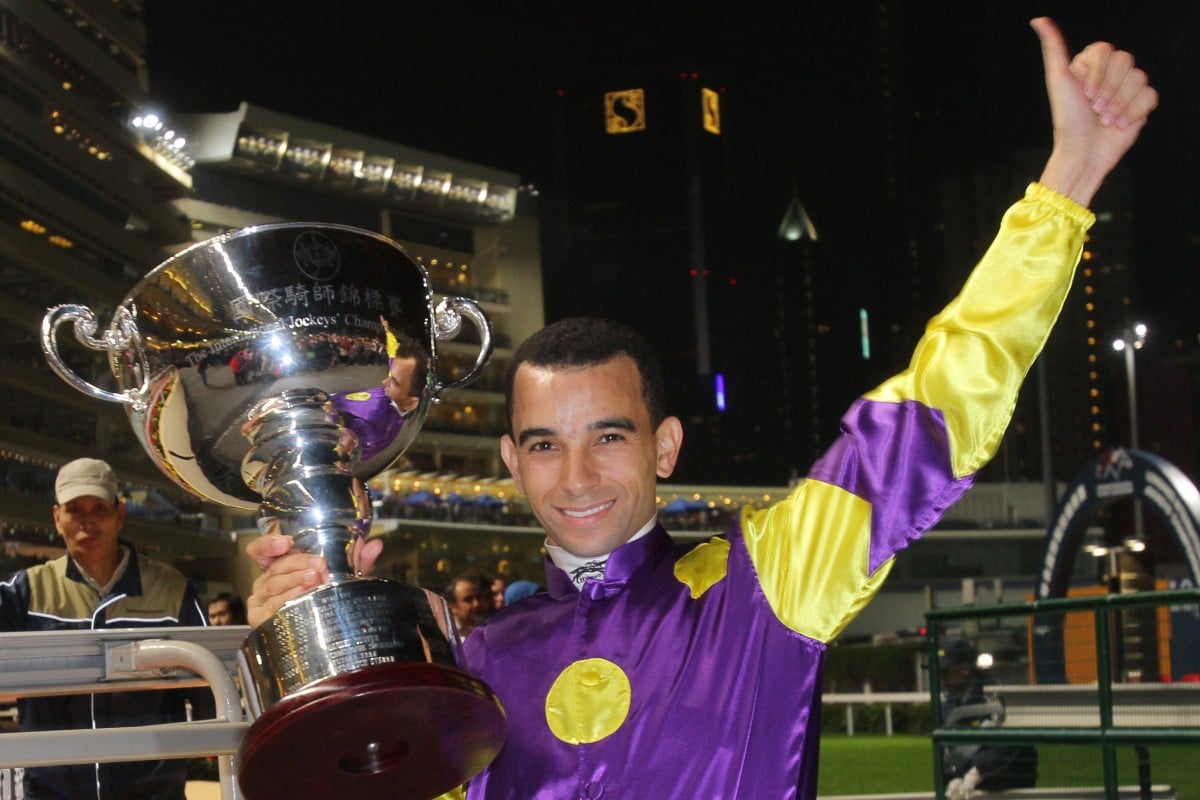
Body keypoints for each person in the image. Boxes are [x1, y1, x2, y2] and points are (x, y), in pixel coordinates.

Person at [246, 19, 1157, 799]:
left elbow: (932, 406)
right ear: (511, 463)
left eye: (609, 436)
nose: (578, 477)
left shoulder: (768, 583)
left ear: (665, 445)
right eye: (545, 445)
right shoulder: (469, 659)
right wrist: (315, 662)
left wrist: (1067, 182)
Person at [0, 458, 211, 800]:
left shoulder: (173, 589)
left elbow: (209, 685)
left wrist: (209, 738)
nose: (87, 521)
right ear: (57, 517)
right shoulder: (25, 592)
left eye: (99, 507)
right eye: (74, 509)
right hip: (53, 792)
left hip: (155, 793)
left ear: (120, 514)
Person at [939, 640, 1038, 799]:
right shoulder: (949, 704)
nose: (942, 678)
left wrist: (977, 771)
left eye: (946, 671)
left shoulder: (994, 696)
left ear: (965, 669)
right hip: (971, 790)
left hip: (1009, 787)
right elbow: (949, 750)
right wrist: (952, 777)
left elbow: (1007, 744)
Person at [327, 317, 428, 461]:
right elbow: (393, 354)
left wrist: (332, 415)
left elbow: (348, 432)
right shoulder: (390, 399)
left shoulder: (379, 428)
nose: (384, 381)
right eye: (390, 376)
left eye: (393, 382)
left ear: (411, 403)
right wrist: (387, 330)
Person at [444, 574, 486, 640]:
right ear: (452, 607)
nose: (476, 604)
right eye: (468, 600)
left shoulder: (487, 632)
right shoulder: (447, 637)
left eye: (478, 597)